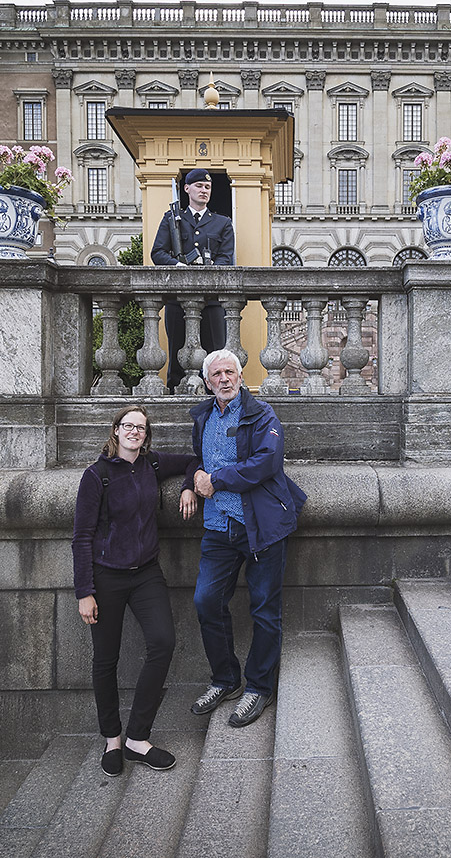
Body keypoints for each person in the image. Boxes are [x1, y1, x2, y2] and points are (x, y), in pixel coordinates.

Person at [71, 405, 199, 775]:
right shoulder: (96, 476)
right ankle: (111, 739)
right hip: (106, 577)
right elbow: (81, 538)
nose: (134, 432)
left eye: (141, 428)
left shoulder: (152, 465)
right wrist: (85, 591)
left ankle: (136, 739)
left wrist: (190, 486)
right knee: (105, 660)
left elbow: (192, 461)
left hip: (146, 574)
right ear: (115, 430)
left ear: (146, 435)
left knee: (163, 643)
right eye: (128, 426)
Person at [188, 349, 308, 727]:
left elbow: (266, 463)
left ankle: (259, 687)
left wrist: (216, 480)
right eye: (216, 374)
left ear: (241, 376)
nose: (223, 379)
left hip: (259, 528)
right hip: (217, 528)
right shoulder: (204, 415)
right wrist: (192, 482)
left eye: (230, 372)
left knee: (265, 611)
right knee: (206, 601)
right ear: (207, 383)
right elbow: (198, 459)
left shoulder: (262, 415)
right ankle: (225, 679)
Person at [150, 168, 234, 391]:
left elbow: (226, 259)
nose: (204, 190)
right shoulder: (172, 219)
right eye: (199, 186)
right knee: (178, 355)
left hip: (212, 300)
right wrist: (180, 267)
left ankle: (215, 399)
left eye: (207, 187)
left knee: (215, 355)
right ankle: (176, 398)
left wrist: (209, 270)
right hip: (177, 299)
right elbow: (158, 253)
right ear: (187, 189)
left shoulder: (222, 223)